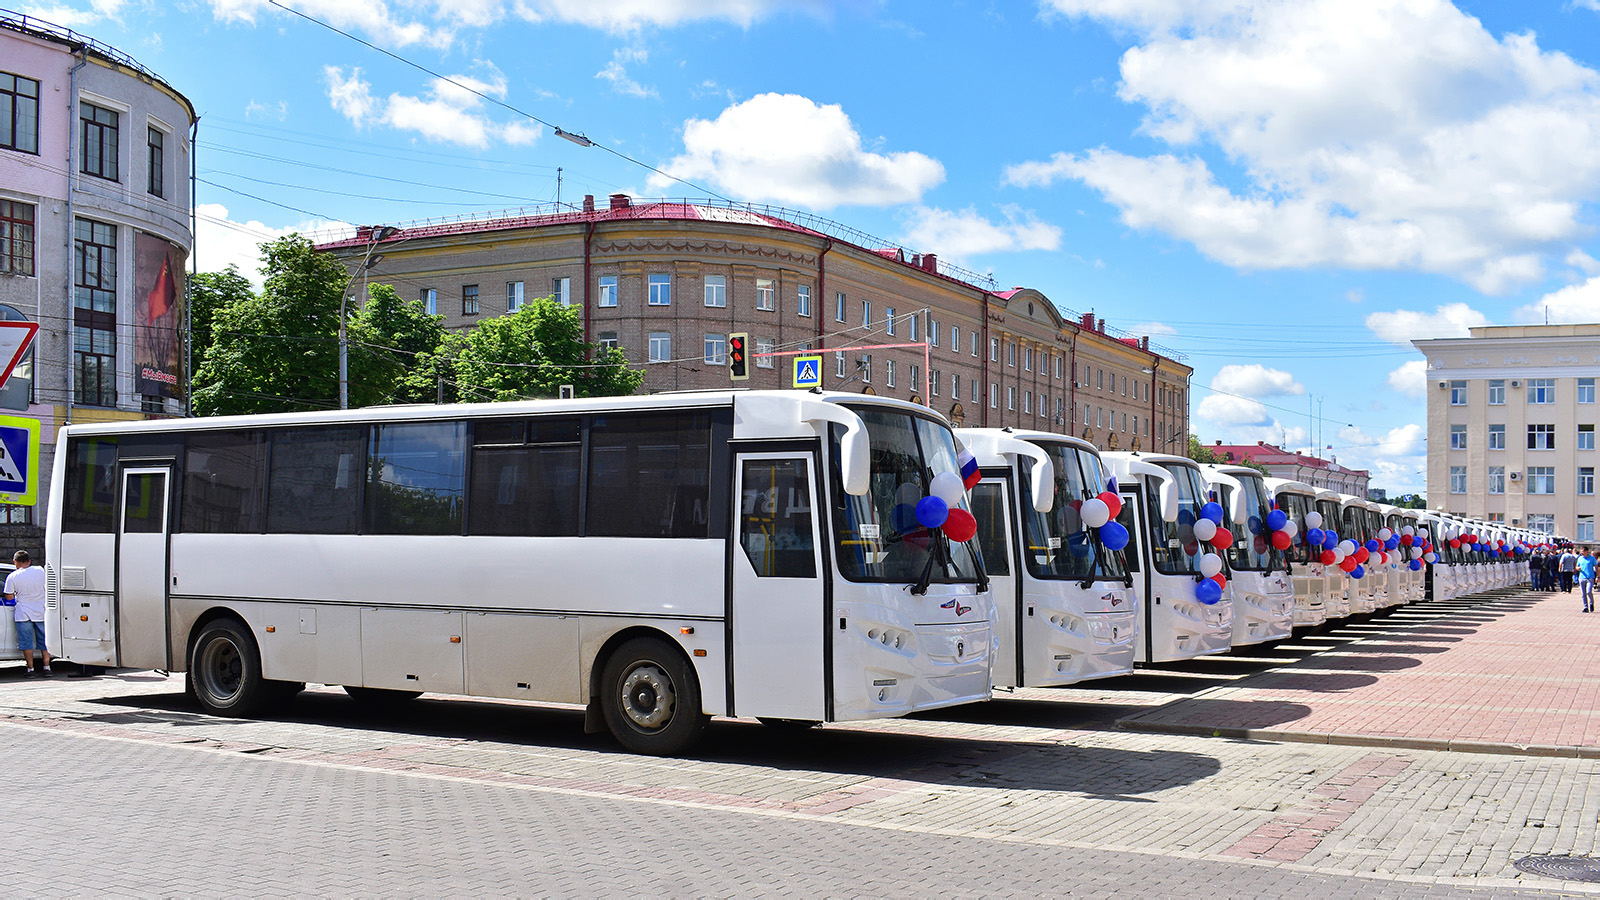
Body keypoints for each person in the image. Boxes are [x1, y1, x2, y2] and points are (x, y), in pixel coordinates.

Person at [5, 550, 48, 675]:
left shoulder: (13, 576)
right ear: (29, 561)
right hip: (41, 611)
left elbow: (8, 597)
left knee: (26, 642)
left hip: (23, 613)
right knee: (44, 640)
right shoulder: (40, 571)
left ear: (15, 562)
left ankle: (30, 669)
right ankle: (47, 667)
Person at [1578, 549, 1597, 613]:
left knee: (1589, 591)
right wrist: (1577, 568)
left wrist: (1597, 576)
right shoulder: (1580, 558)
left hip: (1590, 577)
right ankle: (1585, 607)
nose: (1581, 553)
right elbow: (1577, 566)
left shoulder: (1592, 558)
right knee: (1583, 593)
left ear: (1586, 551)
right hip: (1582, 577)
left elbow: (1596, 567)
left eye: (1582, 551)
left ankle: (1591, 604)